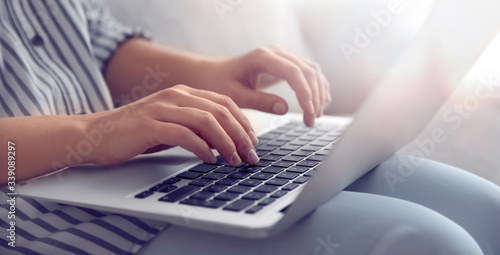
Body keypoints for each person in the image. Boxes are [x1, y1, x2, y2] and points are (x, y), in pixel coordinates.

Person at [0, 1, 499, 254]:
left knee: (485, 211)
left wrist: (211, 73)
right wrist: (94, 132)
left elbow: (92, 39)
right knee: (425, 243)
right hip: (27, 218)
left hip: (126, 169)